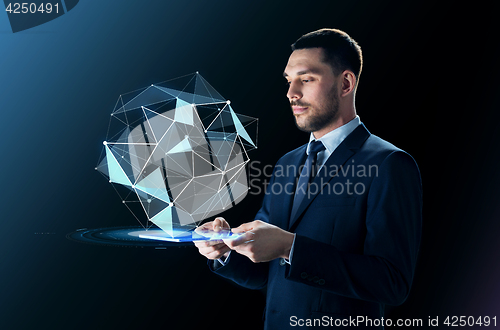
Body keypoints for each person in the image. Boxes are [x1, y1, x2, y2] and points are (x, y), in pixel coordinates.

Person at [194, 28, 422, 329]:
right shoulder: (288, 163)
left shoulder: (389, 163)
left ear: (345, 83)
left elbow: (392, 283)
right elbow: (265, 273)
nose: (292, 94)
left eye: (307, 78)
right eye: (289, 81)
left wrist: (290, 247)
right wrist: (225, 252)